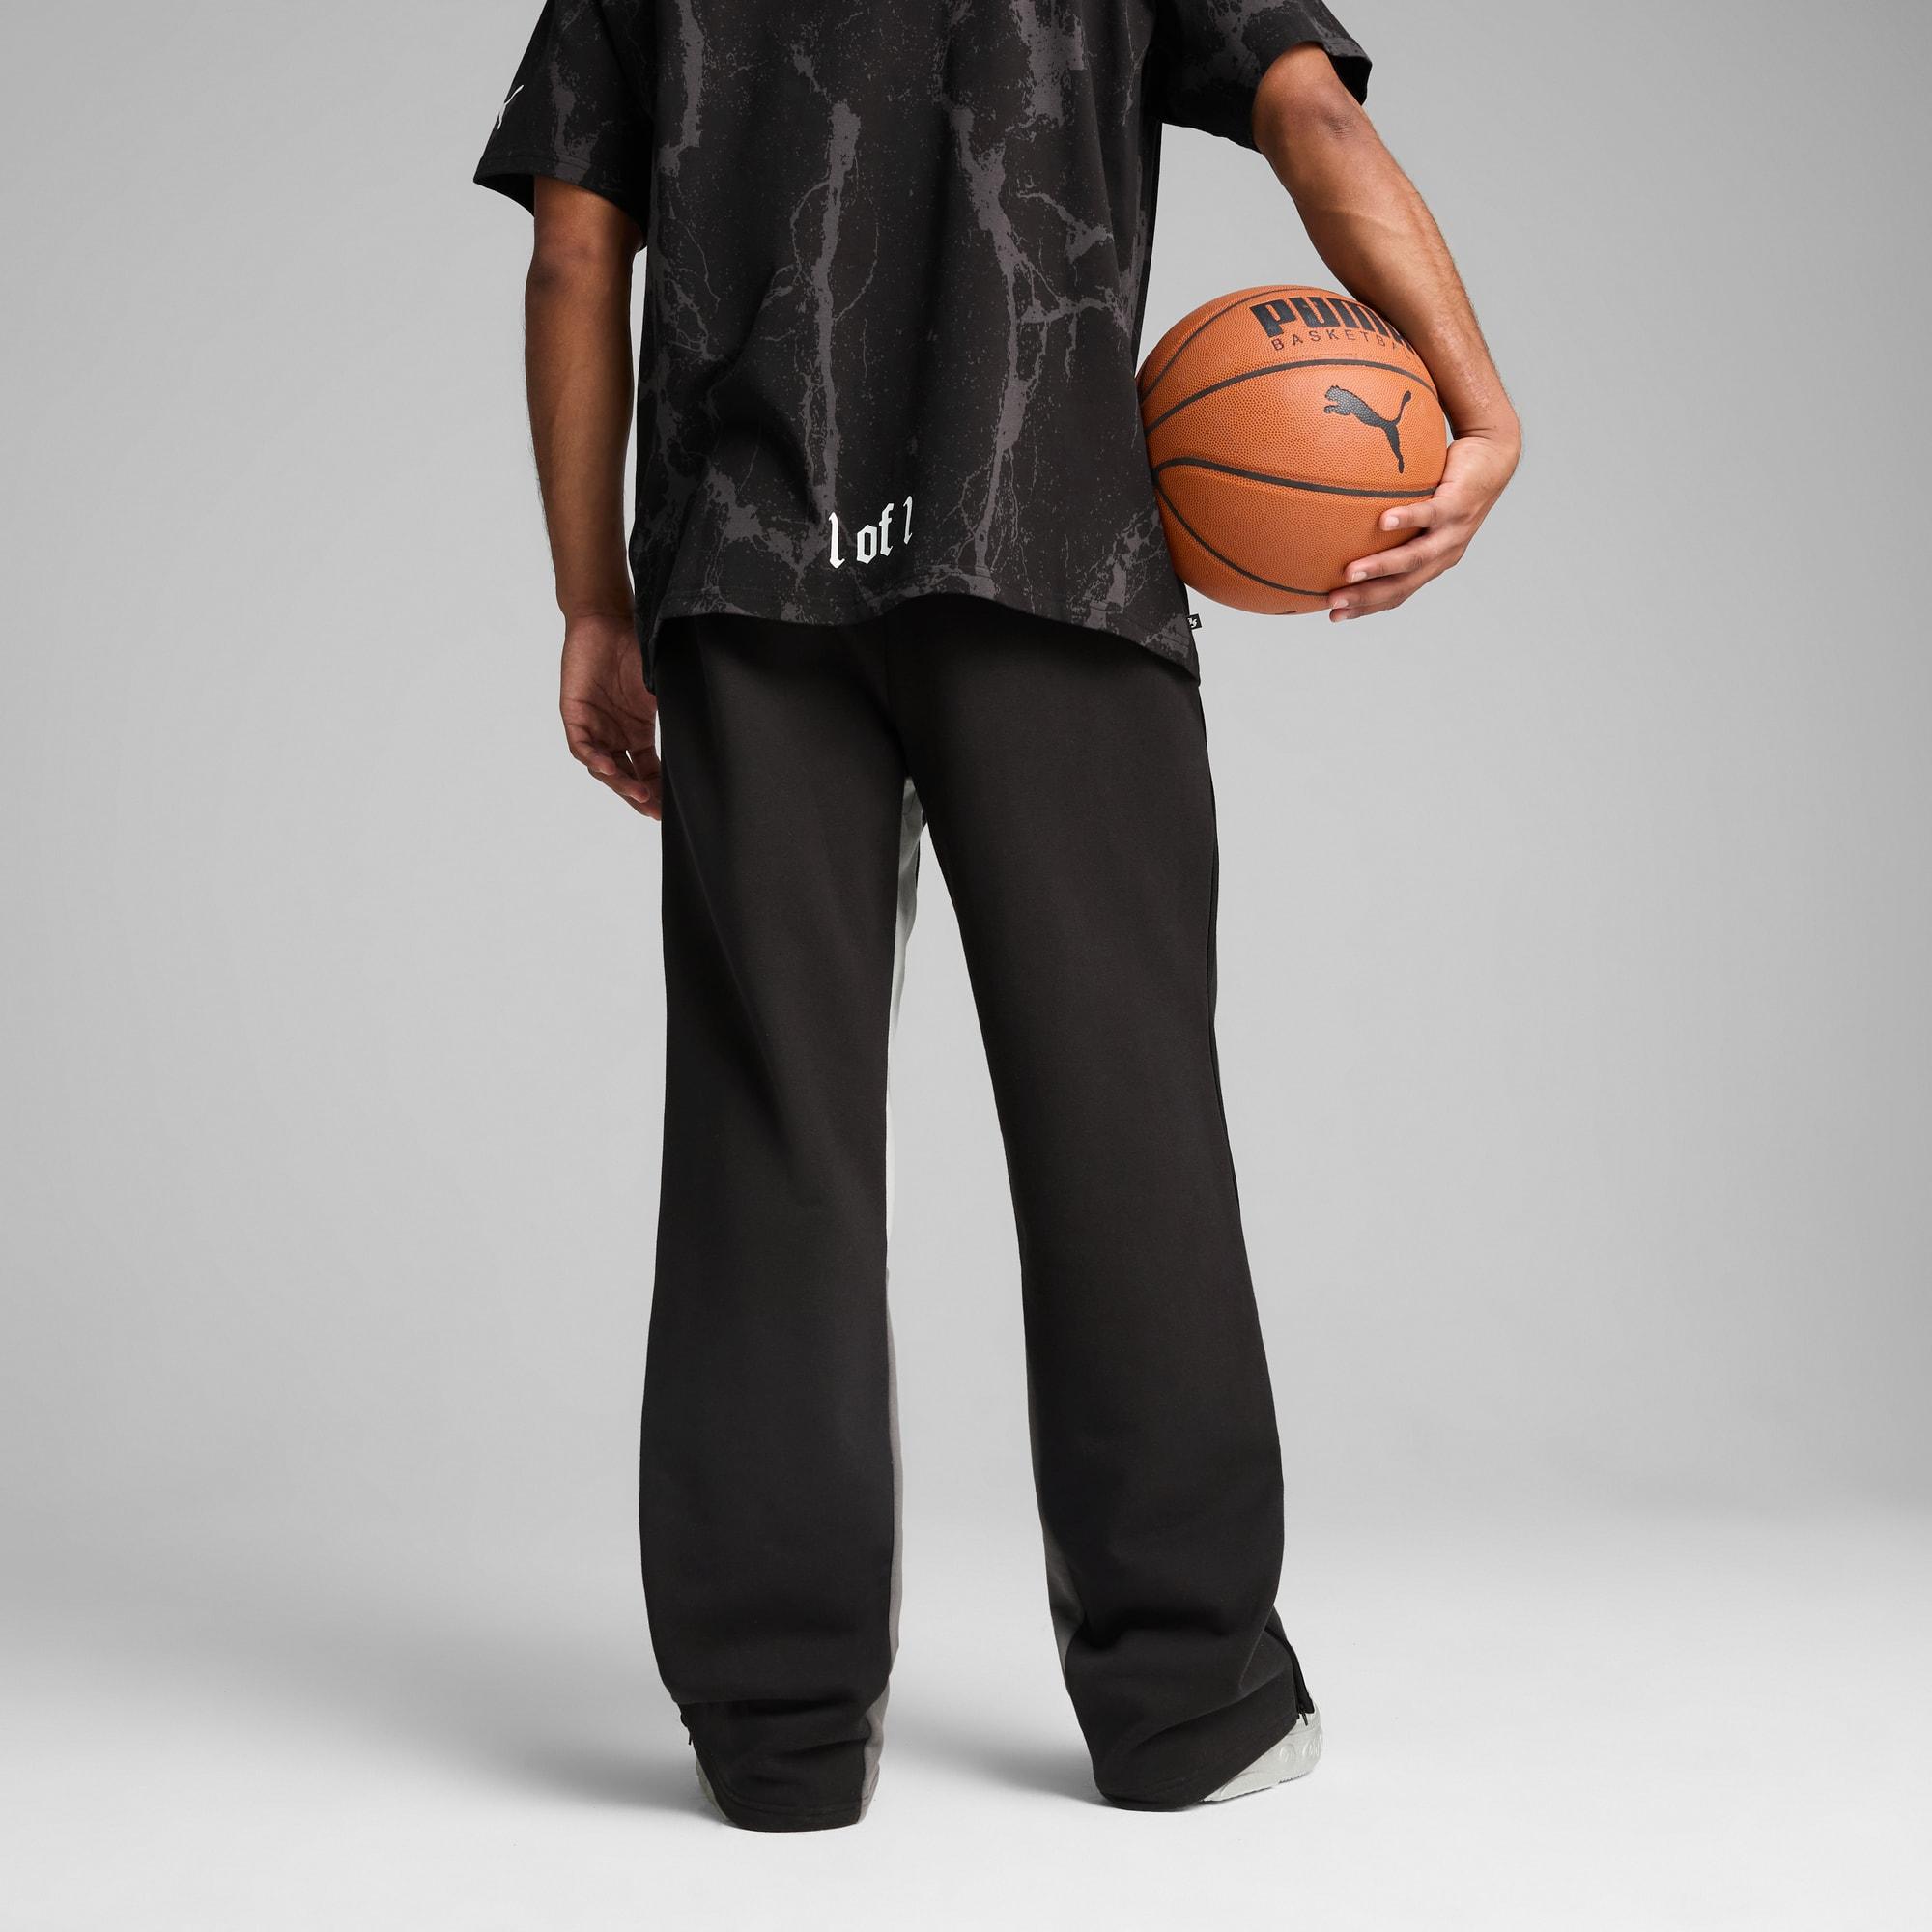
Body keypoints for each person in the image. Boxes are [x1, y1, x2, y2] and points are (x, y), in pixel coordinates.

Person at [474, 0, 1518, 1832]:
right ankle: (1189, 1705)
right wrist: (1476, 399)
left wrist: (591, 602)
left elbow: (576, 255)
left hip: (751, 584)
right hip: (1054, 549)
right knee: (1126, 1120)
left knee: (768, 1142)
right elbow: (1317, 123)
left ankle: (780, 1735)